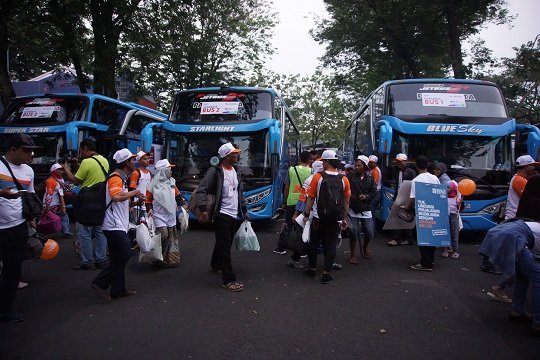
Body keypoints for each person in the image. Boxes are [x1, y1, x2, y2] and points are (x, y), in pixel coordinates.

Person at [195, 142, 249, 292]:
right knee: (225, 247)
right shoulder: (215, 171)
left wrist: (244, 210)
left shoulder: (236, 171)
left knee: (224, 242)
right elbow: (201, 190)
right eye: (234, 153)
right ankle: (228, 280)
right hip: (221, 214)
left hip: (234, 214)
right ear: (226, 156)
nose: (237, 155)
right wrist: (203, 209)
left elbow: (240, 193)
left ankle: (215, 264)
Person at [91, 149, 143, 301]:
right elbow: (115, 197)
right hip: (113, 225)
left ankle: (118, 289)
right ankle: (100, 282)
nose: (135, 162)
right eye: (132, 160)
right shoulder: (116, 178)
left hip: (118, 224)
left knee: (117, 257)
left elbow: (120, 200)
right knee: (124, 254)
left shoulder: (122, 178)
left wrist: (134, 200)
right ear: (126, 163)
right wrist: (133, 193)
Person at [0, 134, 40, 322]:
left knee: (13, 269)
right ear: (12, 149)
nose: (30, 154)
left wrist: (32, 218)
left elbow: (29, 195)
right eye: (26, 150)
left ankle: (5, 309)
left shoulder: (28, 171)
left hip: (17, 227)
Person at [479, 216, 540, 337]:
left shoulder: (534, 226)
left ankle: (517, 311)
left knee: (523, 275)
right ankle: (538, 323)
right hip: (514, 238)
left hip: (501, 234)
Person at [302, 149, 351, 284]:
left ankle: (312, 269)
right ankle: (326, 273)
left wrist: (306, 214)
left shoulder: (318, 177)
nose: (322, 163)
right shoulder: (344, 179)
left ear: (327, 161)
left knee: (314, 243)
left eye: (323, 161)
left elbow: (311, 199)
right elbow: (346, 201)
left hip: (319, 217)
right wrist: (344, 218)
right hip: (335, 218)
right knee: (330, 245)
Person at [62, 139, 109, 270]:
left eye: (81, 150)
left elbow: (76, 181)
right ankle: (101, 259)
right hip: (101, 200)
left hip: (86, 201)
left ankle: (88, 261)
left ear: (86, 148)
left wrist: (66, 168)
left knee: (85, 232)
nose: (81, 153)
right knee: (100, 231)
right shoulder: (104, 160)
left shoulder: (86, 162)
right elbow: (92, 174)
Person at [146, 159, 184, 267]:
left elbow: (177, 195)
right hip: (158, 214)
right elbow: (148, 199)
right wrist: (149, 208)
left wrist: (183, 205)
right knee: (163, 234)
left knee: (169, 238)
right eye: (169, 170)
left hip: (170, 214)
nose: (171, 172)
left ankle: (164, 259)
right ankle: (154, 255)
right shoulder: (153, 184)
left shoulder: (172, 182)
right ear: (163, 171)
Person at [273, 151, 312, 255]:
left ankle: (281, 248)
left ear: (299, 159)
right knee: (303, 226)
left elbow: (286, 187)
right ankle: (302, 250)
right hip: (305, 202)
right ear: (309, 160)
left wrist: (284, 202)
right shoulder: (312, 172)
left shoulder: (291, 170)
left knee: (288, 224)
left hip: (291, 201)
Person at [407, 155, 441, 271]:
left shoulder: (415, 180)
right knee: (431, 237)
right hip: (434, 211)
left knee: (422, 238)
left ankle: (426, 263)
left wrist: (407, 208)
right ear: (427, 166)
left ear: (416, 166)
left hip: (422, 212)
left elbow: (413, 199)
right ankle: (430, 259)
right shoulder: (434, 178)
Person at [347, 155, 376, 263]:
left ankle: (365, 247)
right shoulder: (350, 176)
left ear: (365, 166)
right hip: (353, 208)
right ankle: (353, 254)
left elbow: (373, 192)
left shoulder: (370, 178)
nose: (357, 167)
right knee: (353, 232)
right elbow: (346, 190)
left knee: (369, 232)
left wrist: (366, 197)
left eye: (359, 165)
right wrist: (352, 198)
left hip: (365, 208)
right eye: (356, 165)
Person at [387, 153, 416, 246]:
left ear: (405, 162)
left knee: (406, 218)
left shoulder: (411, 172)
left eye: (400, 161)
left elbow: (413, 187)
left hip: (407, 198)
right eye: (397, 161)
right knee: (396, 217)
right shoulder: (395, 171)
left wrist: (410, 201)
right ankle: (396, 239)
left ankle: (408, 238)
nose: (398, 163)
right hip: (398, 197)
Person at [42, 163, 73, 238]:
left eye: (62, 169)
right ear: (54, 171)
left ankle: (66, 232)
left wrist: (62, 205)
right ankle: (41, 232)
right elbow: (49, 194)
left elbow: (61, 192)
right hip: (51, 204)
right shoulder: (50, 181)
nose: (61, 171)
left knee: (64, 216)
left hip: (58, 203)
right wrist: (47, 205)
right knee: (45, 218)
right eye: (59, 170)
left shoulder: (61, 179)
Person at [504, 155, 538, 219]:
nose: (534, 167)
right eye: (532, 165)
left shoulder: (520, 179)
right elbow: (529, 200)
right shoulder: (519, 180)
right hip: (514, 218)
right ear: (527, 166)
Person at [129, 151, 152, 223]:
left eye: (148, 158)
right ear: (139, 161)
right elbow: (131, 189)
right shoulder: (136, 173)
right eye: (145, 159)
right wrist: (131, 206)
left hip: (145, 206)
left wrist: (150, 207)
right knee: (135, 226)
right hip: (136, 206)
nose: (147, 160)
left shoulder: (149, 173)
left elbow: (150, 191)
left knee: (145, 227)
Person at [441, 180, 461, 259]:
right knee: (444, 233)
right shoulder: (443, 195)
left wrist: (460, 203)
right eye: (446, 187)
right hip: (444, 215)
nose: (447, 189)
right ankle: (445, 250)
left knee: (454, 233)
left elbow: (461, 208)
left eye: (448, 187)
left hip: (453, 215)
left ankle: (455, 251)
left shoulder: (457, 197)